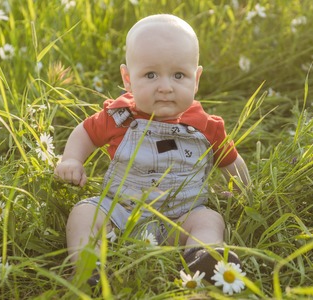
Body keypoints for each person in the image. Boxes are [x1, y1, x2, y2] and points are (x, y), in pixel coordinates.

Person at [54, 14, 251, 285]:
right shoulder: (119, 116)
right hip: (120, 213)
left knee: (208, 219)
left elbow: (233, 161)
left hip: (181, 219)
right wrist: (72, 159)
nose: (165, 87)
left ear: (196, 79)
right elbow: (86, 132)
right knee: (85, 212)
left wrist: (245, 192)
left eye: (179, 75)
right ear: (128, 78)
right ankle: (88, 265)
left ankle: (204, 254)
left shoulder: (206, 127)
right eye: (150, 75)